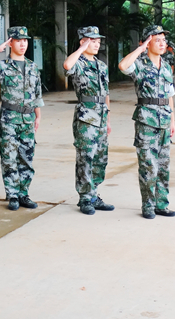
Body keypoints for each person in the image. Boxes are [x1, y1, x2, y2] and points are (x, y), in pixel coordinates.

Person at [118, 24, 175, 219]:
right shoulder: (139, 64)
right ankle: (148, 205)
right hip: (146, 121)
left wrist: (173, 122)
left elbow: (170, 96)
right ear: (147, 42)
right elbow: (123, 66)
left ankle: (161, 204)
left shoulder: (167, 66)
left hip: (164, 121)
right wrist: (140, 48)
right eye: (157, 39)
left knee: (163, 165)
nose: (162, 43)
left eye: (163, 40)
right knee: (148, 165)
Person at [0, 26, 43, 211]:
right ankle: (13, 195)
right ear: (11, 43)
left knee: (26, 157)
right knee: (9, 157)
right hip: (9, 118)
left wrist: (38, 116)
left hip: (28, 117)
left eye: (25, 40)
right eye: (18, 41)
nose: (23, 44)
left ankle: (24, 193)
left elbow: (37, 93)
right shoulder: (3, 65)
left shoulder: (32, 66)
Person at [63, 26, 114, 215]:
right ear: (83, 41)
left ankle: (94, 194)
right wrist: (80, 50)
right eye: (92, 40)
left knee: (101, 159)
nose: (96, 44)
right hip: (86, 116)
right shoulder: (79, 62)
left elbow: (106, 93)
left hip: (101, 116)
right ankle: (84, 198)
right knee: (86, 158)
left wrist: (108, 119)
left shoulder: (101, 65)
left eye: (98, 41)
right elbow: (67, 66)